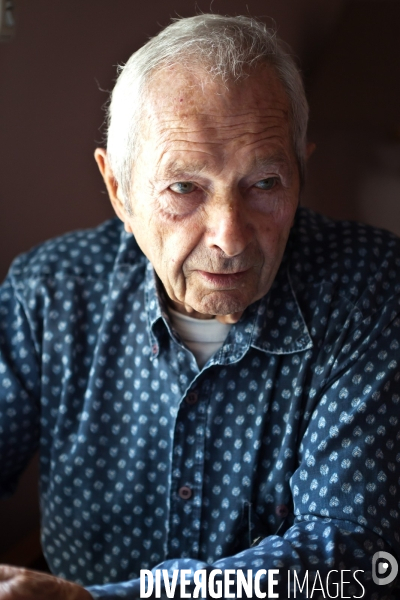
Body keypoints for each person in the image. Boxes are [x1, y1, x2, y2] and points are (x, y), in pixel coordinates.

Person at [0, 13, 399, 600]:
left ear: (301, 171)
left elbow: (355, 557)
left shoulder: (372, 290)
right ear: (120, 191)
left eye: (264, 183)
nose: (230, 237)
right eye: (184, 188)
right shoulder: (51, 293)